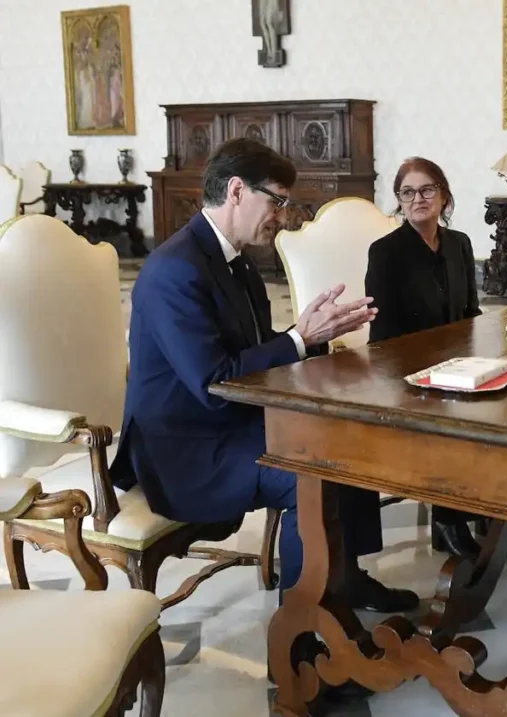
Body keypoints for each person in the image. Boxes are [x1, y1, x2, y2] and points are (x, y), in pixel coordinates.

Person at [111, 138, 419, 616]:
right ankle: (298, 645)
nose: (281, 214)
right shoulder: (175, 270)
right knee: (306, 475)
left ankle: (346, 580)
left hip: (226, 423)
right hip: (185, 450)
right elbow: (215, 382)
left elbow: (254, 350)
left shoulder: (233, 259)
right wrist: (298, 338)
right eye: (276, 200)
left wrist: (314, 336)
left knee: (348, 437)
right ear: (236, 190)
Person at [365, 157, 507, 562]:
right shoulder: (385, 253)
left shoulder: (459, 243)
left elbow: (469, 312)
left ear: (444, 195)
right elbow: (383, 338)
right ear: (398, 201)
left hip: (459, 363)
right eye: (408, 192)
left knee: (505, 406)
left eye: (427, 189)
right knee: (453, 418)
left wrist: (486, 358)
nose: (418, 199)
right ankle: (448, 518)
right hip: (408, 374)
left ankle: (487, 512)